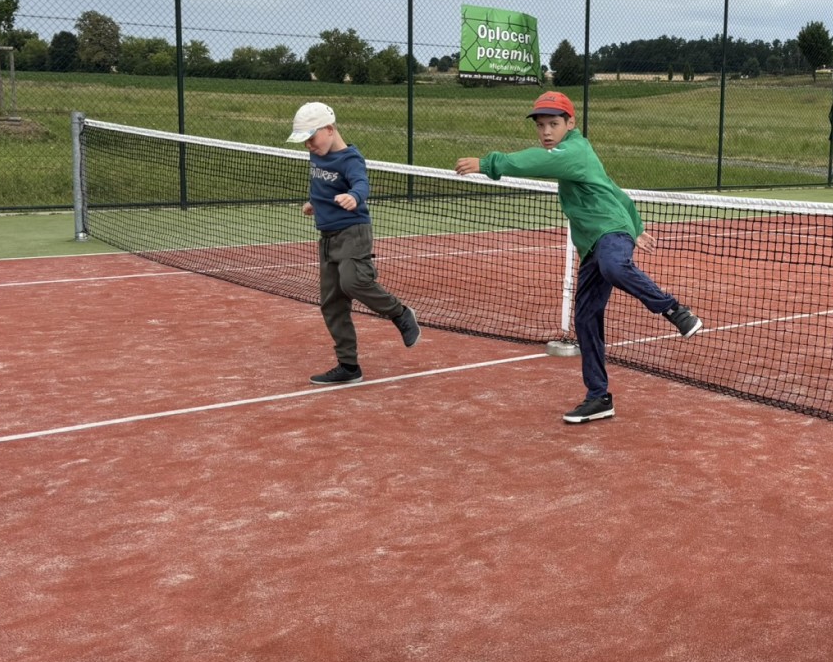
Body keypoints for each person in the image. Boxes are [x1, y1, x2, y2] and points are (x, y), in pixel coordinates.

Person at [456, 90, 702, 424]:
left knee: (614, 266)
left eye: (553, 124)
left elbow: (535, 161)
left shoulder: (573, 151)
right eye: (540, 125)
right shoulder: (575, 154)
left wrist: (487, 164)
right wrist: (638, 227)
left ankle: (674, 310)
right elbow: (614, 189)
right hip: (592, 246)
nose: (546, 132)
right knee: (586, 318)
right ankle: (599, 397)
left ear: (570, 123)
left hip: (609, 232)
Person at [288, 101, 421, 385]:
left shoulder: (350, 159)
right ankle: (348, 366)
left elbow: (361, 184)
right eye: (304, 141)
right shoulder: (317, 155)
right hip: (327, 237)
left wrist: (354, 197)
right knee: (331, 303)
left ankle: (400, 313)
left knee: (354, 282)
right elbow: (322, 185)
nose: (308, 145)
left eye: (311, 138)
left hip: (353, 231)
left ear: (329, 129)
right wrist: (314, 203)